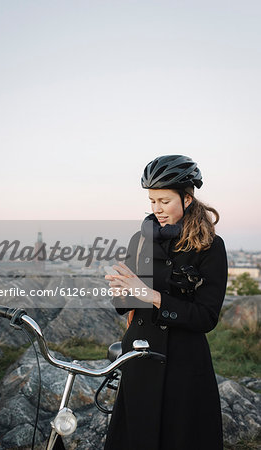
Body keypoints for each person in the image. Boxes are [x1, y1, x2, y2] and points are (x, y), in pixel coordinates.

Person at [103, 155, 228, 450]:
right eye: (152, 200)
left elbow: (206, 317)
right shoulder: (140, 239)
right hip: (140, 355)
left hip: (184, 363)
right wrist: (121, 289)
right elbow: (127, 305)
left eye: (164, 201)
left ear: (187, 198)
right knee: (135, 436)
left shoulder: (211, 245)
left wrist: (153, 296)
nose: (156, 209)